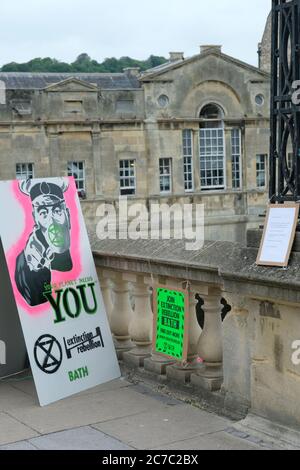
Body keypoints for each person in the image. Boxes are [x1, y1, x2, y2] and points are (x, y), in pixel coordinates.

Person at [15, 179, 73, 307]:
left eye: (57, 211)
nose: (52, 221)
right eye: (43, 213)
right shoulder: (26, 261)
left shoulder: (78, 250)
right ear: (35, 219)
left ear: (67, 215)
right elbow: (36, 301)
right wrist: (30, 266)